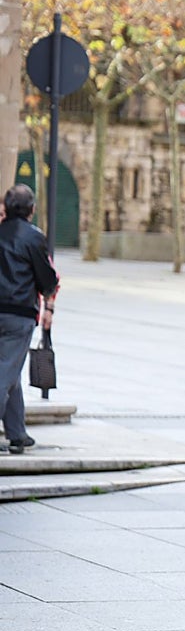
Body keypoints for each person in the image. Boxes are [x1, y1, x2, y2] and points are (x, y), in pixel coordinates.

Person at [0, 185, 58, 455]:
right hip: (18, 313)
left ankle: (17, 433)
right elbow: (47, 278)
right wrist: (49, 305)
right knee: (6, 371)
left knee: (11, 372)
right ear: (32, 210)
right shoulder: (34, 238)